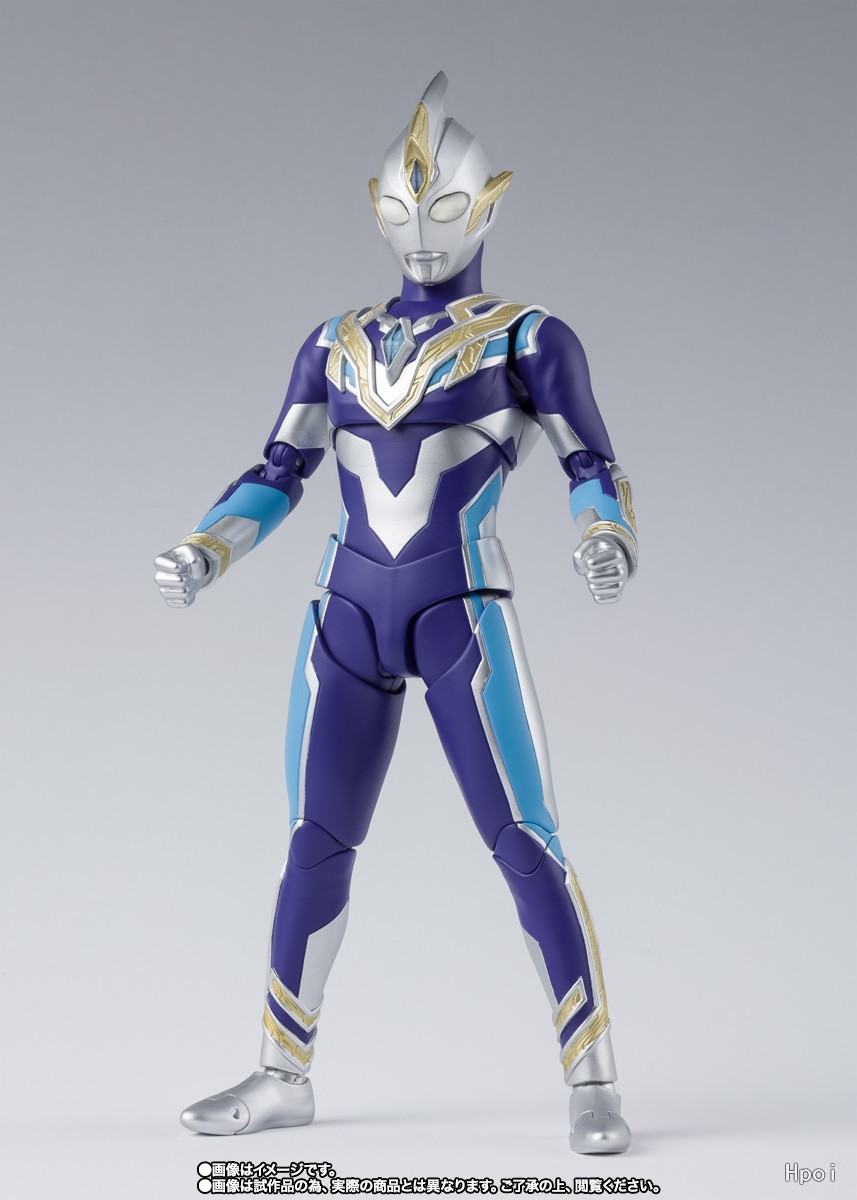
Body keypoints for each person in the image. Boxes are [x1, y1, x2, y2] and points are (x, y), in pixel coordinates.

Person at [155, 72, 637, 1154]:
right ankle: (281, 1072)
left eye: (446, 209)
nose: (422, 235)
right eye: (401, 211)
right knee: (314, 842)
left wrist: (604, 534)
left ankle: (592, 1082)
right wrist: (206, 548)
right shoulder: (333, 341)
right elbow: (278, 468)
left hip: (460, 610)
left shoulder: (527, 339)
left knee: (524, 840)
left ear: (489, 205)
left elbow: (590, 462)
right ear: (374, 210)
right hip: (345, 613)